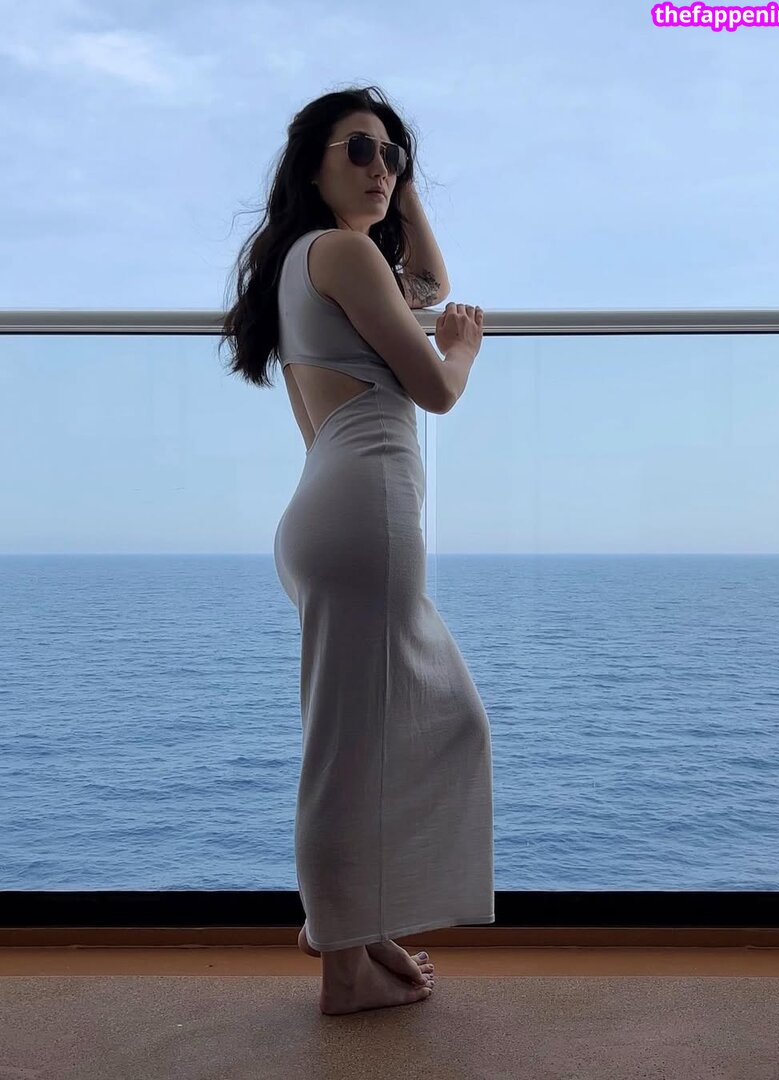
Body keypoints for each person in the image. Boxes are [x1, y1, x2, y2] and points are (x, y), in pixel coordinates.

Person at [219, 85, 493, 1016]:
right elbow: (437, 387)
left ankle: (358, 925)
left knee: (408, 727)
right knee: (348, 753)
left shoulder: (309, 261)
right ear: (314, 165)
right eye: (361, 150)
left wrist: (401, 189)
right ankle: (342, 961)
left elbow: (428, 283)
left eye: (392, 154)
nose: (380, 168)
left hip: (332, 514)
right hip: (364, 512)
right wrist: (462, 349)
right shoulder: (340, 253)